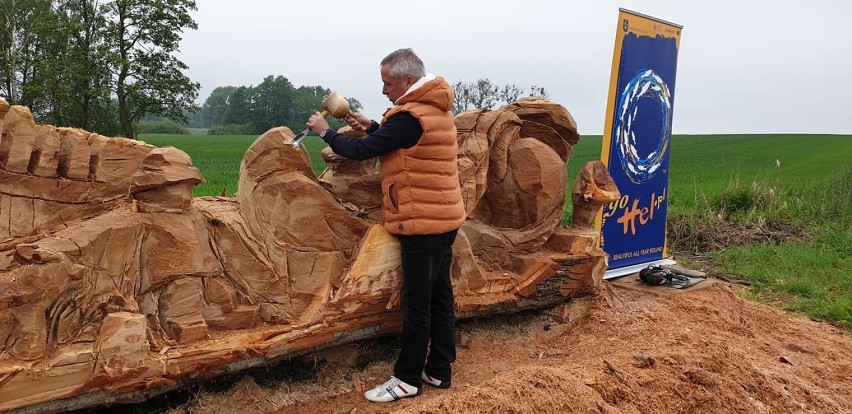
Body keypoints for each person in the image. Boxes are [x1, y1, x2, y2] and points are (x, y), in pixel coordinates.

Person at [306, 48, 466, 403]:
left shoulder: (410, 116)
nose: (383, 90)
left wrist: (325, 132)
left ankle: (407, 378)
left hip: (422, 222)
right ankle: (439, 371)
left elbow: (363, 151)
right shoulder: (432, 108)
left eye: (387, 83)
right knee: (440, 296)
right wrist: (373, 125)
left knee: (416, 304)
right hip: (443, 217)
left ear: (408, 81)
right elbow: (400, 141)